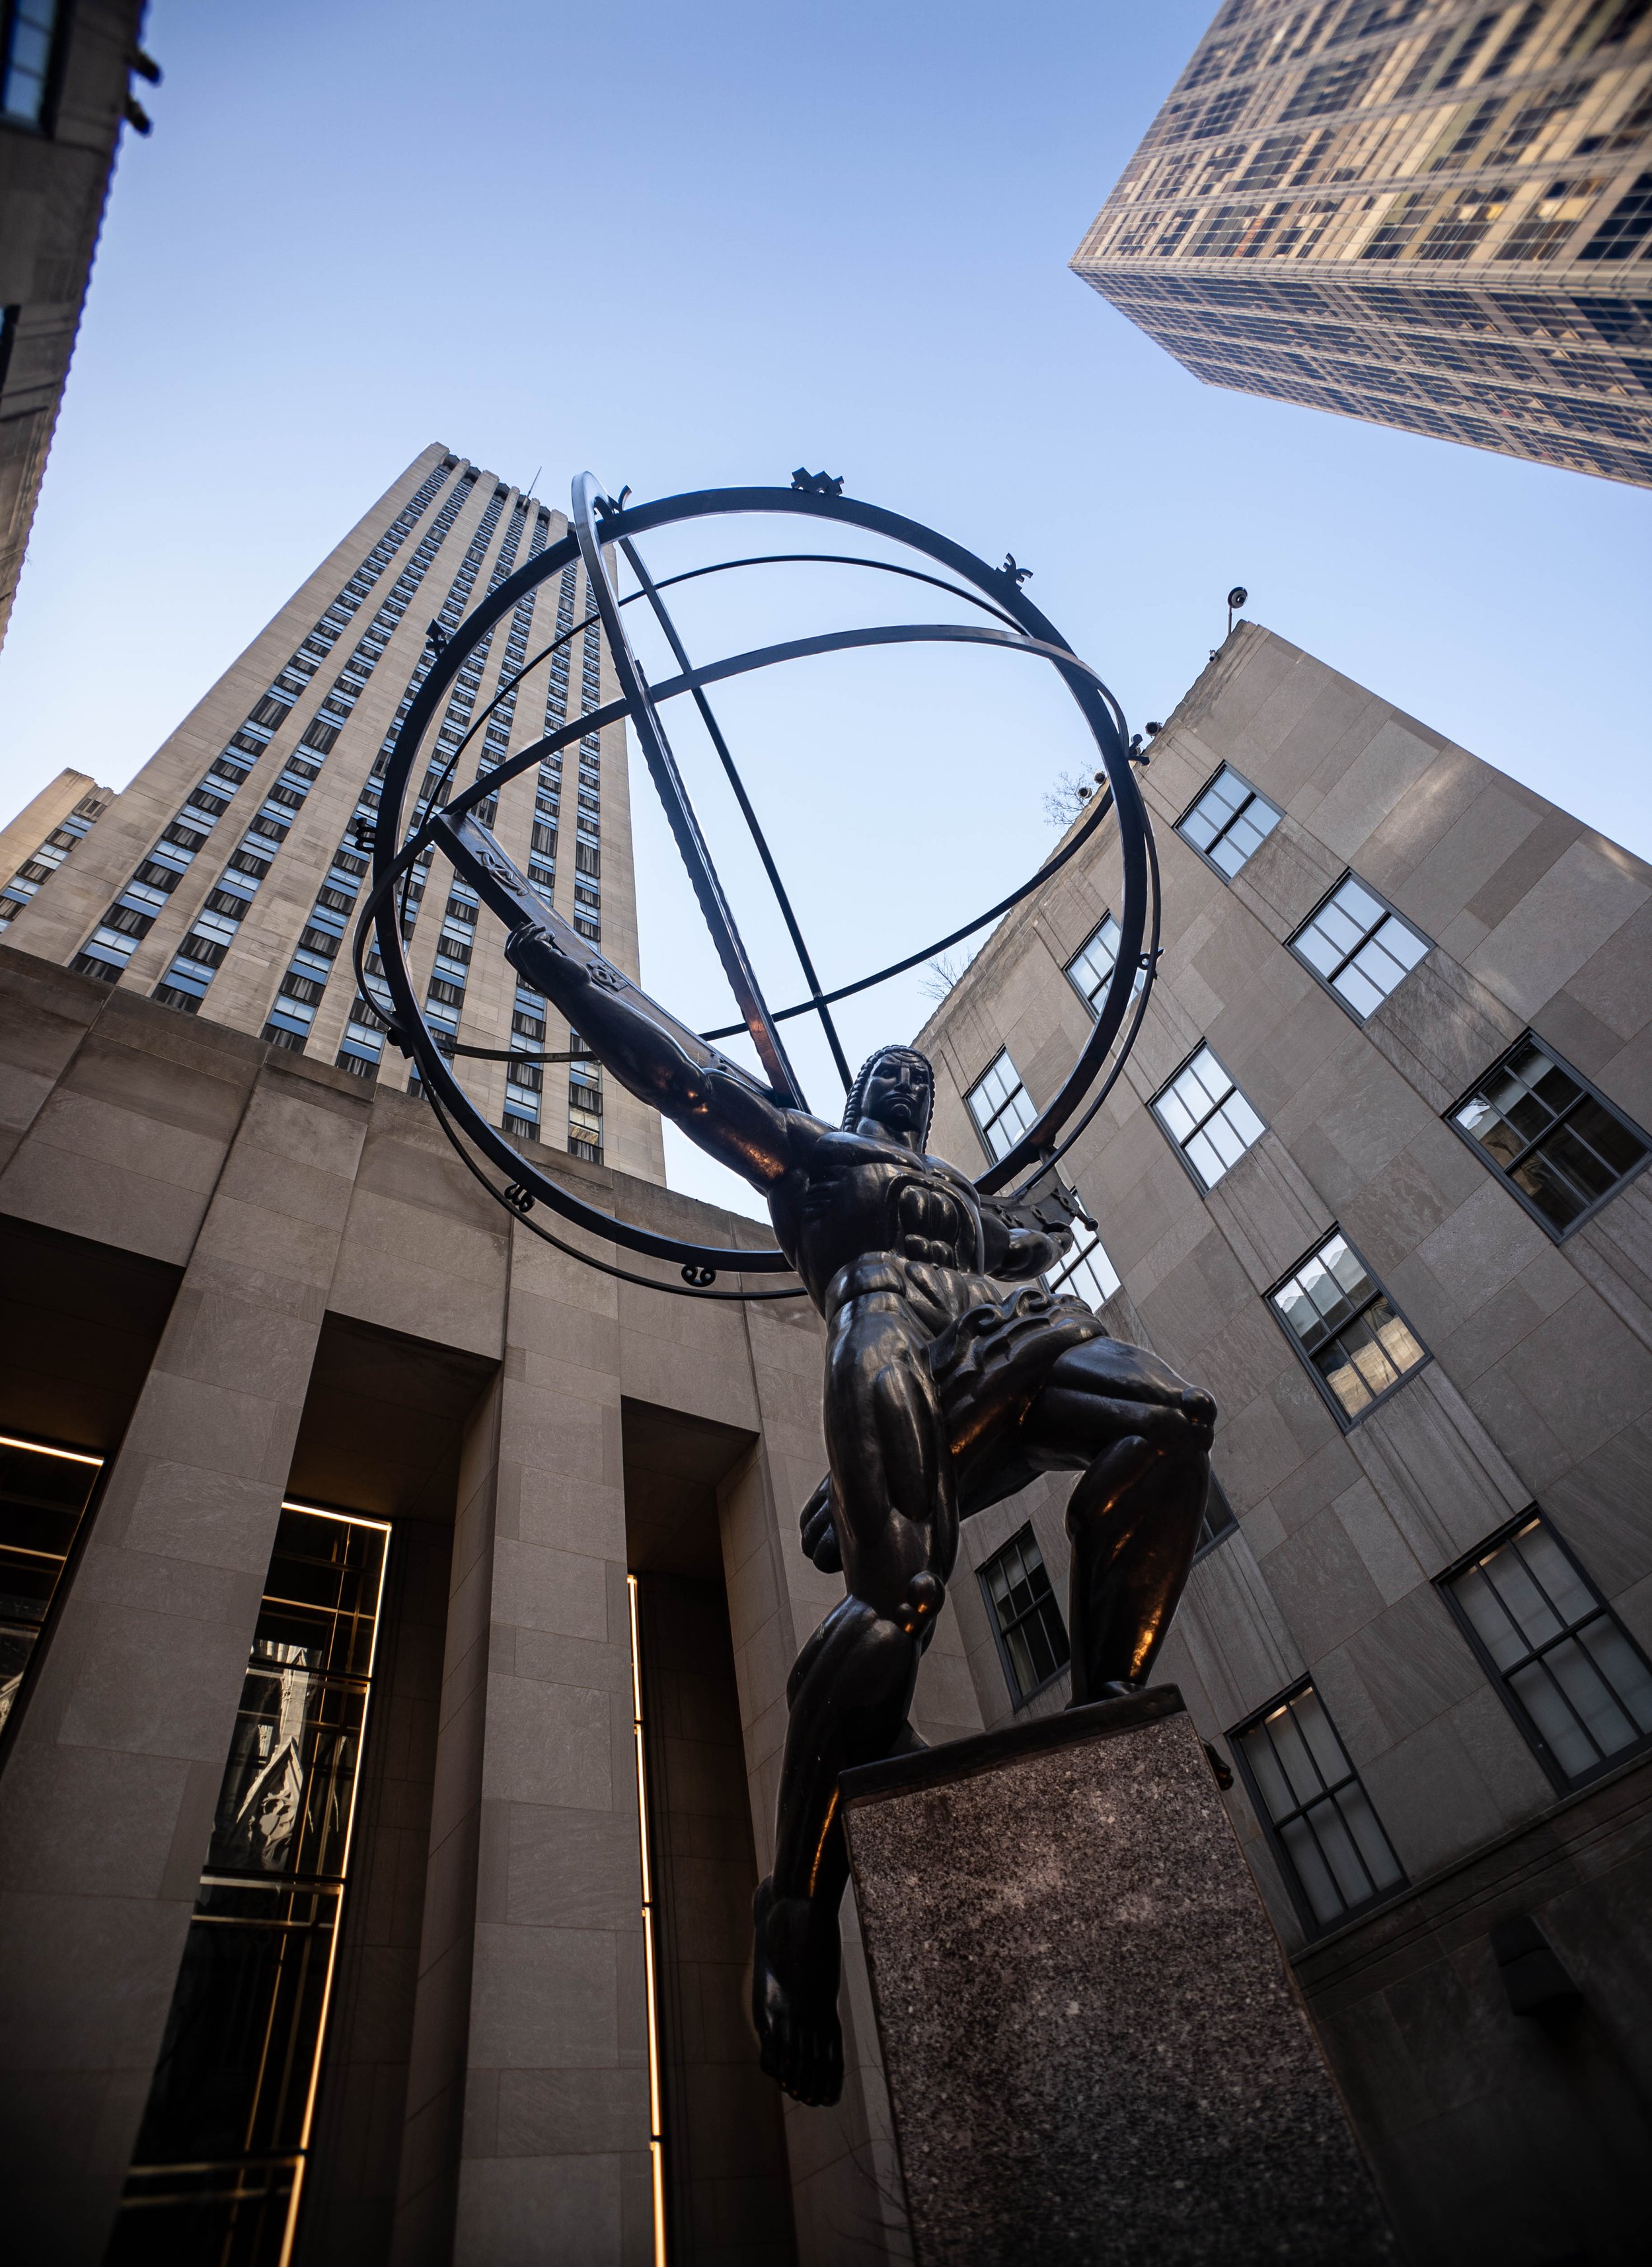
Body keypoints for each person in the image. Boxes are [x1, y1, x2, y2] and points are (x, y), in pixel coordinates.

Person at [504, 921, 1215, 2108]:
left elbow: (1040, 1231)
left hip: (1009, 1339)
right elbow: (686, 1079)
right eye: (887, 1068)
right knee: (899, 1605)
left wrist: (1047, 1207)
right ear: (852, 1091)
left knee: (1174, 1421)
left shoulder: (978, 1208)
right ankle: (793, 1907)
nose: (905, 1077)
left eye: (919, 1077)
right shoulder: (814, 1158)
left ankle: (1108, 1709)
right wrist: (562, 971)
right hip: (886, 1336)